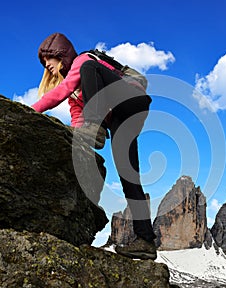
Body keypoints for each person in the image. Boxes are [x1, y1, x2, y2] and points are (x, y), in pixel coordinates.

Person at [31, 32, 157, 260]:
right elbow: (77, 119)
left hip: (132, 99)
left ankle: (95, 122)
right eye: (44, 62)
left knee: (91, 68)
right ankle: (146, 240)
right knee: (128, 176)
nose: (46, 65)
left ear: (61, 54)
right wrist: (80, 142)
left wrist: (31, 111)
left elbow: (60, 91)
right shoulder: (76, 95)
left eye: (48, 58)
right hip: (122, 119)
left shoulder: (83, 61)